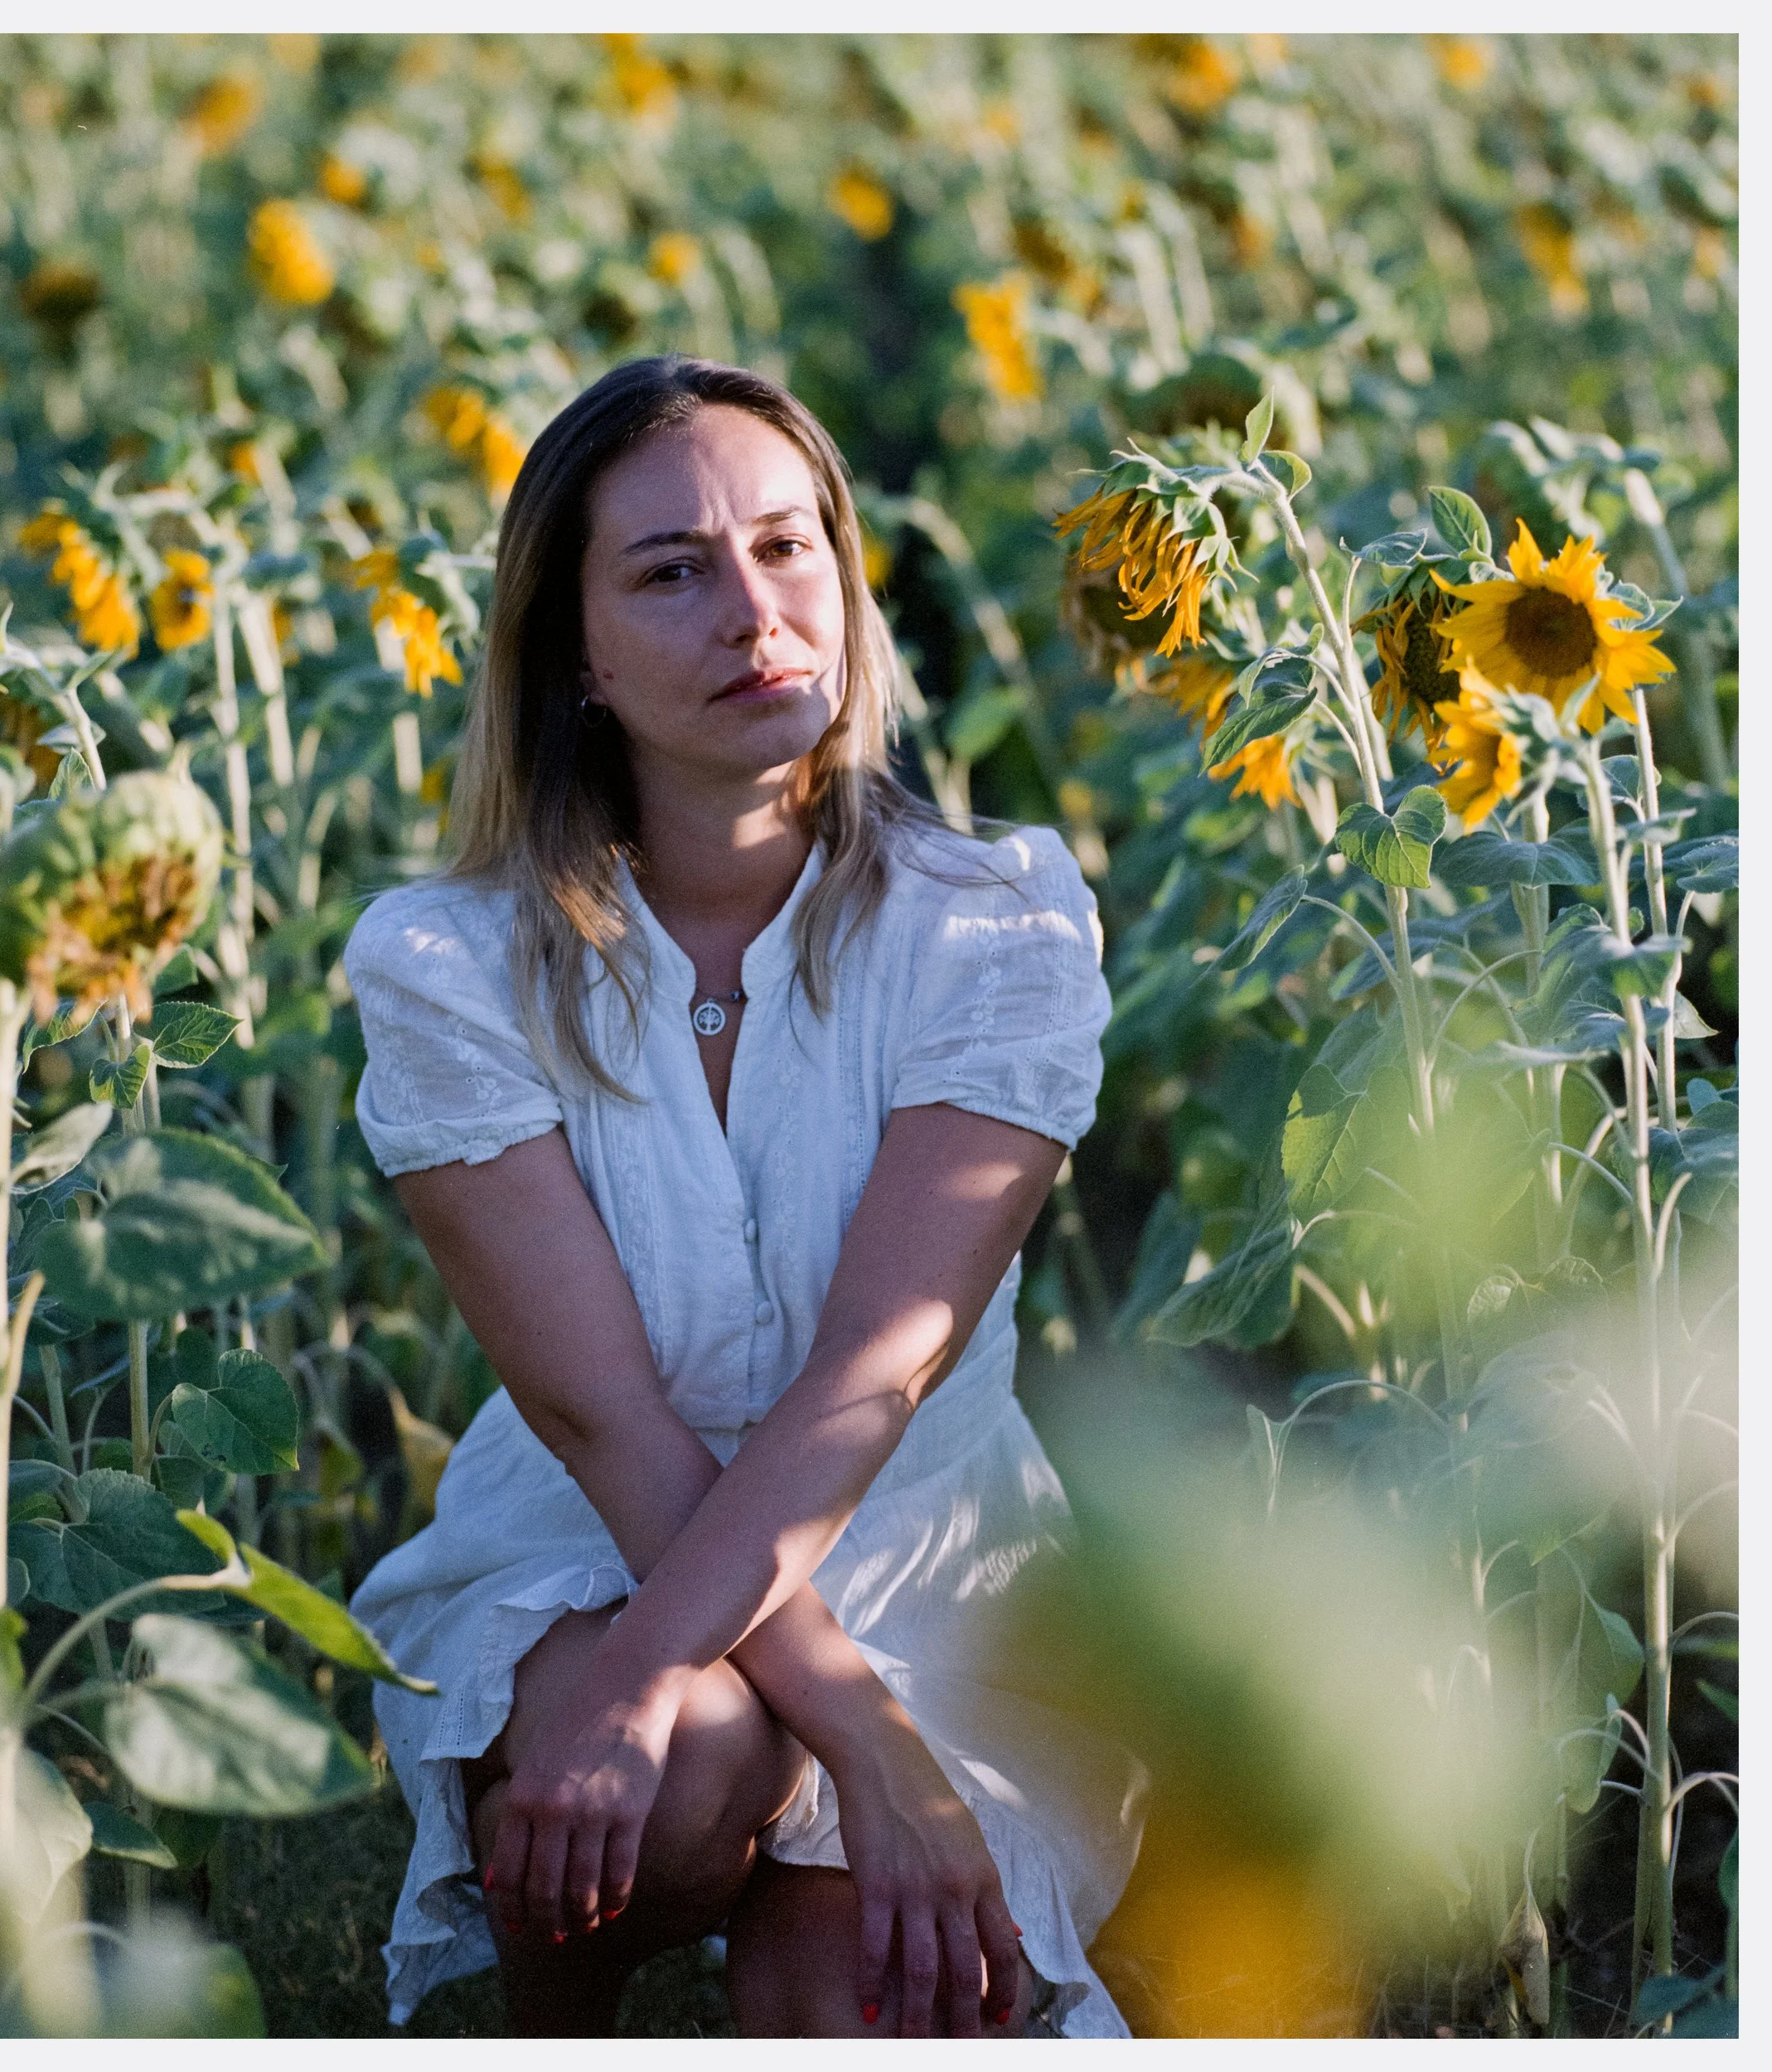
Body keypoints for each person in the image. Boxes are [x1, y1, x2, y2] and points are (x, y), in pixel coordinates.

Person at [346, 355, 1143, 2039]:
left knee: (849, 2005)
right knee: (665, 1774)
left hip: (923, 1541)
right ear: (572, 651)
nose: (752, 608)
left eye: (788, 548)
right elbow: (605, 1418)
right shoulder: (450, 963)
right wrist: (832, 1732)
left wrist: (879, 1727)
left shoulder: (995, 923)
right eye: (670, 569)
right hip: (593, 1536)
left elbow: (872, 1375)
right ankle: (541, 2013)